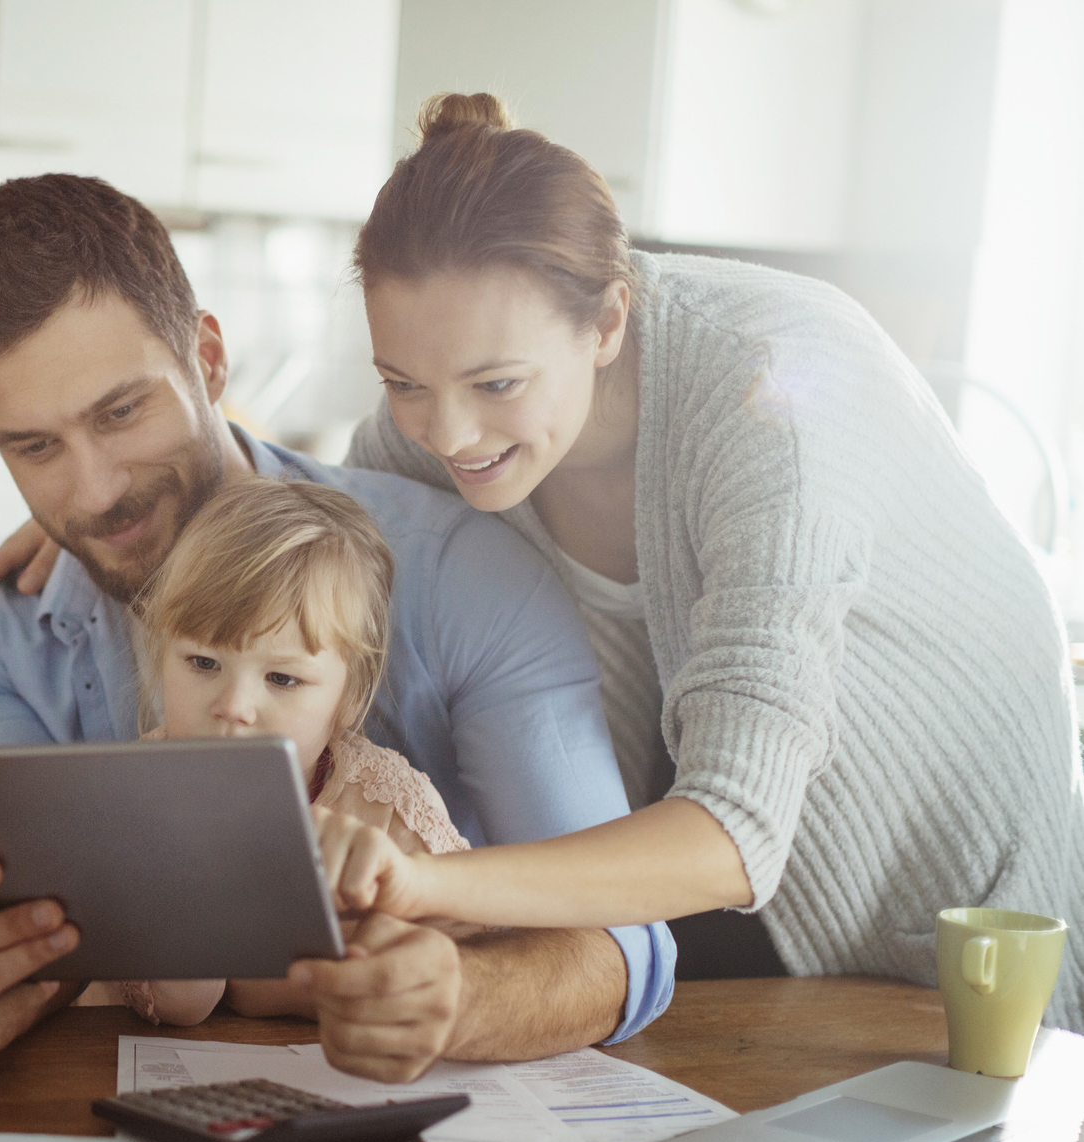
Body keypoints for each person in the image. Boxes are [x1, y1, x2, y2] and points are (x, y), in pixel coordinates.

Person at [0, 173, 675, 1081]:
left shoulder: (463, 577)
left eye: (121, 411)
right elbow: (42, 958)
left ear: (207, 361)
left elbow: (621, 946)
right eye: (33, 446)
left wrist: (460, 999)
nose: (93, 493)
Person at [329, 93, 1082, 1028]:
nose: (446, 431)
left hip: (939, 894)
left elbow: (736, 830)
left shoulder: (771, 392)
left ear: (606, 323)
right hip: (684, 881)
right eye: (403, 382)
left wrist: (431, 884)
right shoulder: (417, 450)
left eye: (496, 384)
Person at [76, 476, 472, 1028]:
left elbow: (471, 957)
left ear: (350, 697)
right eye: (203, 664)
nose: (235, 706)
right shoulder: (131, 799)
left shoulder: (388, 806)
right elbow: (180, 1003)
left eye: (283, 679)